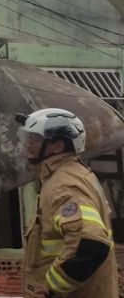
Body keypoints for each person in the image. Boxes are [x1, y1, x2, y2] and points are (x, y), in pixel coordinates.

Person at [16, 108, 117, 297]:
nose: (28, 145)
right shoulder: (68, 175)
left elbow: (91, 243)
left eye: (35, 139)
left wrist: (51, 287)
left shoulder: (63, 185)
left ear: (58, 146)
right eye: (27, 138)